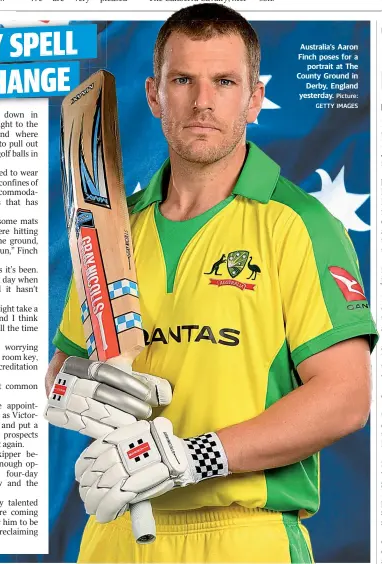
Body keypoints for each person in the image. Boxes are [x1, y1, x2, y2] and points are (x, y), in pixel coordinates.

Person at [45, 3, 378, 563]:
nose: (202, 102)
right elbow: (63, 369)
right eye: (183, 80)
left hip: (244, 535)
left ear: (253, 99)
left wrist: (196, 456)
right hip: (114, 536)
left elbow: (345, 397)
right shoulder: (108, 231)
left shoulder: (297, 224)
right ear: (154, 94)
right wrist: (70, 392)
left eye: (224, 82)